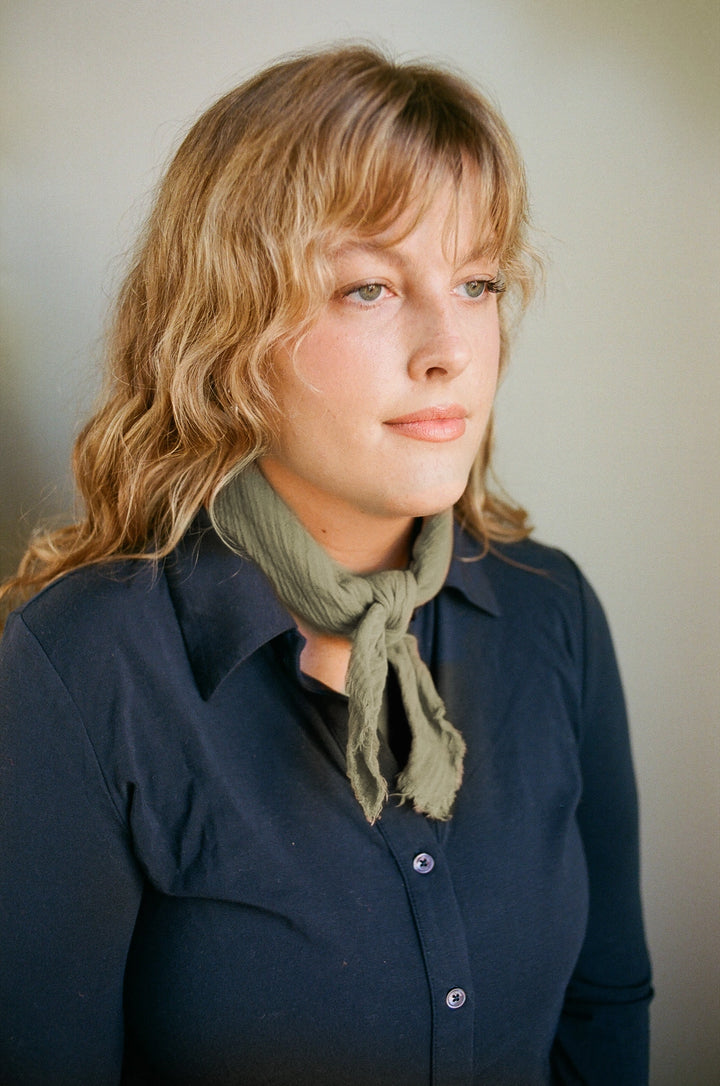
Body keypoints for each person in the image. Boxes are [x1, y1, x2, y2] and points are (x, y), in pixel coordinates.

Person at [0, 44, 652, 1085]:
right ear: (227, 331)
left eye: (476, 282)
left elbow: (604, 1010)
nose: (449, 349)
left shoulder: (552, 610)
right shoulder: (81, 667)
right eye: (368, 289)